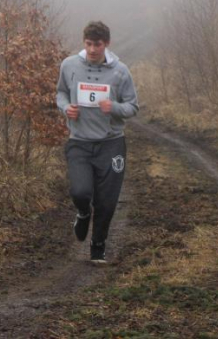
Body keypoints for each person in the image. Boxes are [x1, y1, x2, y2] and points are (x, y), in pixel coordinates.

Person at [56, 21, 139, 264]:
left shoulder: (120, 71)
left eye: (98, 44)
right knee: (80, 191)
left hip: (111, 143)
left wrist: (113, 107)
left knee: (107, 200)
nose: (93, 49)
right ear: (84, 43)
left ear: (107, 44)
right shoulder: (69, 65)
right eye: (89, 44)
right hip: (79, 142)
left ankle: (98, 244)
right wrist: (65, 107)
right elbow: (60, 92)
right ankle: (83, 213)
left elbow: (133, 107)